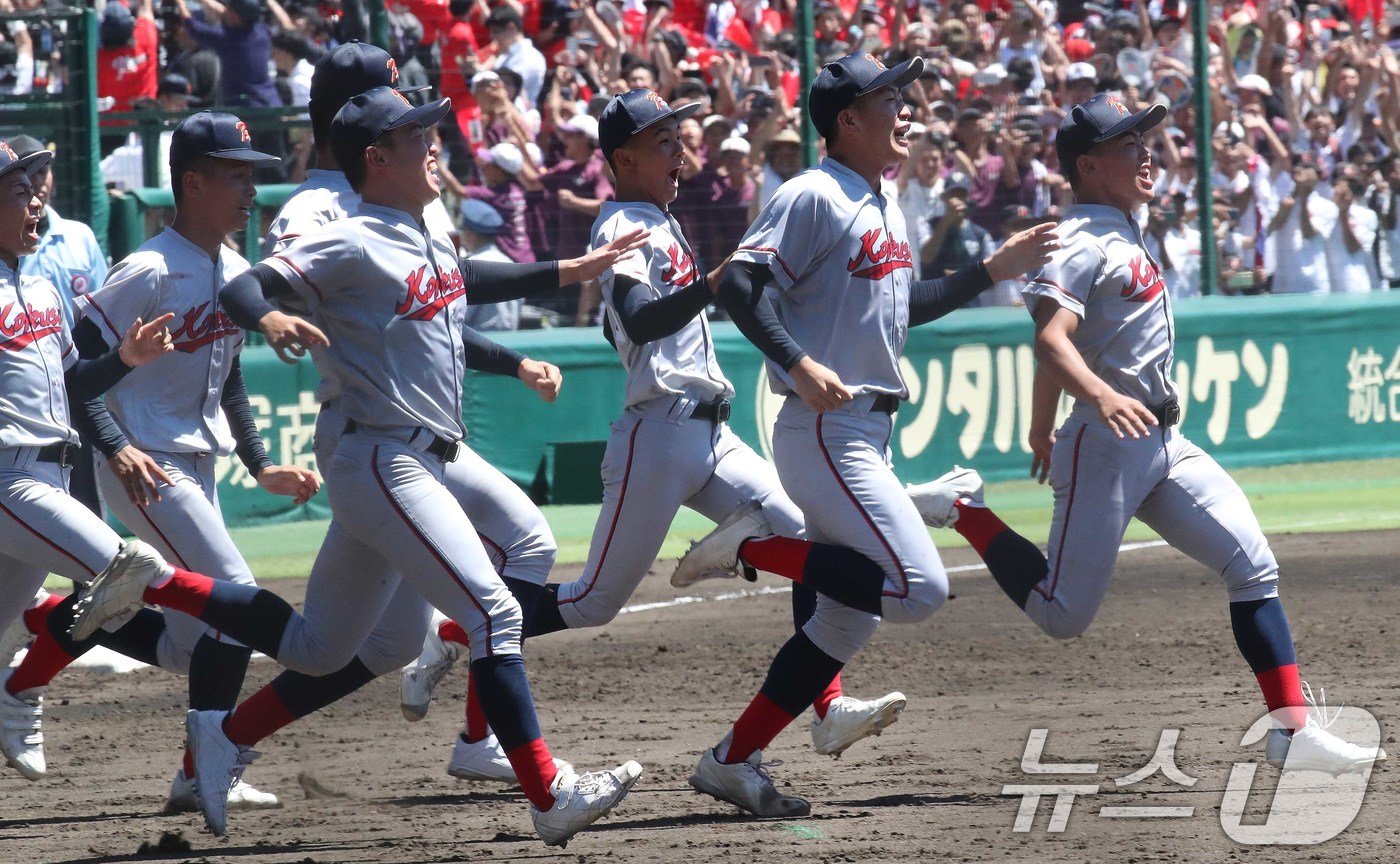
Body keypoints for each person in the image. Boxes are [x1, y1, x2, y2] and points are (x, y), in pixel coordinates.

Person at [71, 86, 650, 847]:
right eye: (418, 135)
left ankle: (213, 711)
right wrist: (271, 313)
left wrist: (575, 268)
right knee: (495, 612)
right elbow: (249, 286)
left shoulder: (418, 233)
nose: (435, 144)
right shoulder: (349, 237)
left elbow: (472, 279)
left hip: (409, 459)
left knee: (337, 647)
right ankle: (548, 793)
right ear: (376, 159)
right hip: (382, 456)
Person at [400, 89, 908, 806]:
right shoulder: (625, 223)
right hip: (657, 434)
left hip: (711, 431)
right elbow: (637, 319)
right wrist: (707, 285)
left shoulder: (660, 220)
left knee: (800, 534)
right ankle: (455, 631)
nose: (680, 150)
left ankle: (827, 707)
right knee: (589, 602)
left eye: (679, 135)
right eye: (661, 141)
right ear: (622, 159)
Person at [936, 93, 1386, 776]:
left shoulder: (1124, 225)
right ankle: (964, 510)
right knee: (1062, 615)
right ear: (1088, 165)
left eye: (1144, 139)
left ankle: (1292, 731)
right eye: (1128, 144)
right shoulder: (1081, 241)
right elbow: (1051, 340)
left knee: (1252, 565)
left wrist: (1037, 426)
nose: (1146, 152)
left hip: (1162, 440)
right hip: (1108, 439)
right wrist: (1091, 398)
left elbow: (1070, 340)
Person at [673, 52, 1056, 813]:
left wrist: (990, 269)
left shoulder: (883, 202)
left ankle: (732, 759)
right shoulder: (813, 193)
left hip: (864, 433)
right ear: (847, 119)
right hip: (826, 427)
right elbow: (742, 286)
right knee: (918, 589)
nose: (906, 109)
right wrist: (797, 360)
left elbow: (901, 304)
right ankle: (748, 546)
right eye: (890, 99)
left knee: (842, 621)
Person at [6, 111, 317, 812]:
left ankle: (56, 618)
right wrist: (116, 447)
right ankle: (209, 762)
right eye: (236, 175)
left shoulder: (234, 269)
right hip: (148, 467)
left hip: (197, 465)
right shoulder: (146, 268)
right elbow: (75, 374)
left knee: (187, 644)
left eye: (253, 176)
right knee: (234, 595)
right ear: (192, 182)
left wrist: (260, 461)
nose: (249, 190)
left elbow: (229, 376)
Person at [0, 139, 194, 783]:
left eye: (34, 189)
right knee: (126, 565)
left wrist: (125, 363)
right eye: (17, 192)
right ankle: (21, 693)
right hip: (9, 479)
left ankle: (11, 688)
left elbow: (77, 380)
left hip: (54, 471)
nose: (34, 202)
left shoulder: (43, 289)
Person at [10, 134, 108, 516]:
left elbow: (103, 313)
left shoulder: (79, 237)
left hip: (75, 380)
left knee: (84, 500)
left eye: (45, 170)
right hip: (23, 396)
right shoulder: (11, 247)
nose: (41, 180)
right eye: (29, 173)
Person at [1268, 155, 1337, 295]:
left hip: (1313, 286)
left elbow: (1308, 233)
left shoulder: (1327, 206)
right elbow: (1271, 228)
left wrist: (1304, 198)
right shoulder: (1284, 200)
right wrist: (1295, 195)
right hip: (1284, 285)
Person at [459, 199, 520, 331]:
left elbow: (460, 314)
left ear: (471, 234)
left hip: (479, 344)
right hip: (511, 343)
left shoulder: (471, 268)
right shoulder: (511, 264)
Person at [488, 6, 546, 109]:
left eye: (496, 31)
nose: (493, 36)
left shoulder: (531, 56)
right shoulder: (503, 57)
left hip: (522, 116)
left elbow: (508, 89)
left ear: (511, 28)